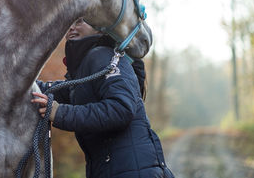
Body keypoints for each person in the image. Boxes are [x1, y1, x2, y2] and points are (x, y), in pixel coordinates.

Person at [32, 17, 174, 178]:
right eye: (69, 21)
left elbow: (121, 109)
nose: (70, 27)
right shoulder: (87, 66)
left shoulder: (103, 56)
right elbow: (53, 90)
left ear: (100, 28)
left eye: (79, 21)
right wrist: (22, 83)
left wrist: (60, 113)